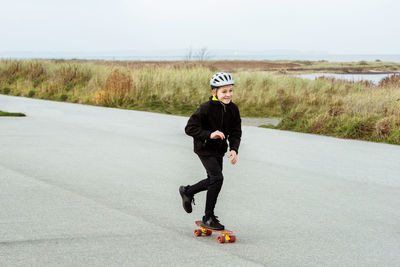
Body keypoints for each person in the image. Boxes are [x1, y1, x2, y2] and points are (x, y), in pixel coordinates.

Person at [179, 72, 242, 230]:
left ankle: (188, 191)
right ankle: (208, 217)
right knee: (217, 178)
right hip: (204, 148)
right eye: (224, 91)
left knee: (214, 180)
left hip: (219, 150)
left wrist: (234, 149)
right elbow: (190, 128)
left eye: (230, 90)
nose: (228, 94)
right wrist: (210, 134)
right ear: (214, 92)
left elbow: (235, 132)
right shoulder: (205, 108)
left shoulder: (233, 109)